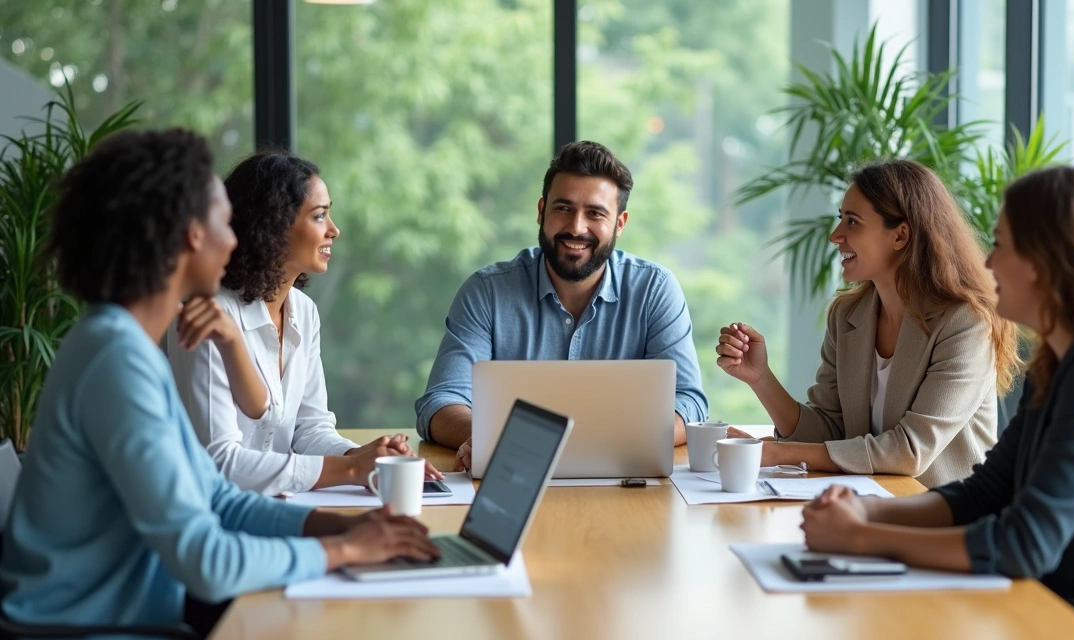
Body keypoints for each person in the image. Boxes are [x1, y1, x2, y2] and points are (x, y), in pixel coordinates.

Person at [0, 129, 439, 633]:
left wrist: (345, 525)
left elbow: (217, 496)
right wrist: (343, 549)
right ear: (192, 234)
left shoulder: (122, 345)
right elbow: (206, 562)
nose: (236, 238)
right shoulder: (115, 363)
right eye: (224, 221)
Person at [799, 166, 1074, 628]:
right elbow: (988, 491)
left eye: (1000, 244)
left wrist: (862, 538)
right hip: (1065, 600)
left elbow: (1024, 544)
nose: (988, 263)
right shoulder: (1059, 361)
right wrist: (869, 510)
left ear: (1044, 262)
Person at [716, 159, 1020, 487]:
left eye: (853, 222)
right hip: (867, 505)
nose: (836, 235)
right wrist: (760, 378)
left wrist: (778, 453)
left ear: (901, 235)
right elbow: (828, 431)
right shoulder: (847, 316)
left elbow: (910, 451)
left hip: (944, 518)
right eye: (840, 219)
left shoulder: (967, 323)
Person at [415, 141, 709, 469]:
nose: (576, 227)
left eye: (595, 213)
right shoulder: (487, 292)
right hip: (513, 476)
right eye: (563, 208)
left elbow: (688, 401)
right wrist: (493, 438)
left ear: (620, 224)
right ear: (541, 211)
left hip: (624, 483)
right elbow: (441, 403)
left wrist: (604, 443)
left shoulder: (655, 289)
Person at [167, 151, 440, 496]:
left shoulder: (304, 312)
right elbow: (219, 463)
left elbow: (309, 428)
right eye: (319, 216)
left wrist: (369, 457)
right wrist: (352, 468)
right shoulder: (210, 319)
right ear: (273, 225)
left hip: (275, 505)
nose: (334, 230)